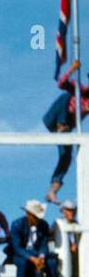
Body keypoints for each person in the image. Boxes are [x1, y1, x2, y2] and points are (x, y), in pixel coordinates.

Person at [45, 59, 89, 202]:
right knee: (66, 96)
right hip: (53, 119)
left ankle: (52, 190)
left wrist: (84, 111)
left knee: (66, 157)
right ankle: (61, 123)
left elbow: (78, 119)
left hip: (65, 129)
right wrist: (71, 69)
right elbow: (61, 83)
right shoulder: (77, 89)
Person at [9, 199, 60, 277]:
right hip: (22, 255)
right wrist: (32, 259)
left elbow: (44, 244)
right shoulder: (17, 224)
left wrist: (41, 257)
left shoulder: (43, 225)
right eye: (35, 217)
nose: (37, 219)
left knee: (51, 263)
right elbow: (17, 248)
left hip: (37, 254)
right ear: (28, 215)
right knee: (23, 263)